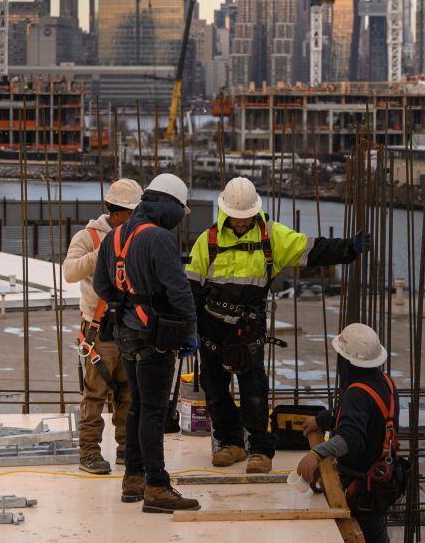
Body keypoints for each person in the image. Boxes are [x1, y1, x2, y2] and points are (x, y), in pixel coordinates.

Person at [186, 176, 365, 474]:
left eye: (246, 218)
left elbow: (311, 249)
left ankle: (259, 449)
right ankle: (231, 443)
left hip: (247, 329)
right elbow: (190, 284)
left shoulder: (272, 237)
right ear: (225, 212)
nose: (241, 223)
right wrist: (190, 328)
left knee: (254, 390)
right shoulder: (209, 240)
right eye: (236, 218)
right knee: (214, 389)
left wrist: (349, 248)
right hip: (212, 329)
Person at [93, 173, 201, 514]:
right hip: (155, 335)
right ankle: (157, 486)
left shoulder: (114, 237)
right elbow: (179, 290)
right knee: (154, 410)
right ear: (168, 206)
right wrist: (190, 332)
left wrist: (127, 306)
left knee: (138, 404)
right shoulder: (159, 238)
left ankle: (133, 478)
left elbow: (102, 286)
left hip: (124, 333)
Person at [63, 178, 141, 474]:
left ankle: (126, 448)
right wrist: (105, 250)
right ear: (115, 211)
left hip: (130, 324)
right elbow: (70, 272)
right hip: (99, 328)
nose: (134, 218)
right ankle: (89, 453)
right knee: (95, 394)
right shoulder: (89, 237)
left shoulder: (138, 236)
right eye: (129, 213)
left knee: (128, 393)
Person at [298, 323, 397, 543]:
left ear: (348, 362)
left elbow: (351, 438)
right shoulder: (384, 382)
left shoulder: (357, 393)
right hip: (381, 480)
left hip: (363, 488)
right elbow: (358, 415)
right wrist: (321, 419)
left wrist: (316, 454)